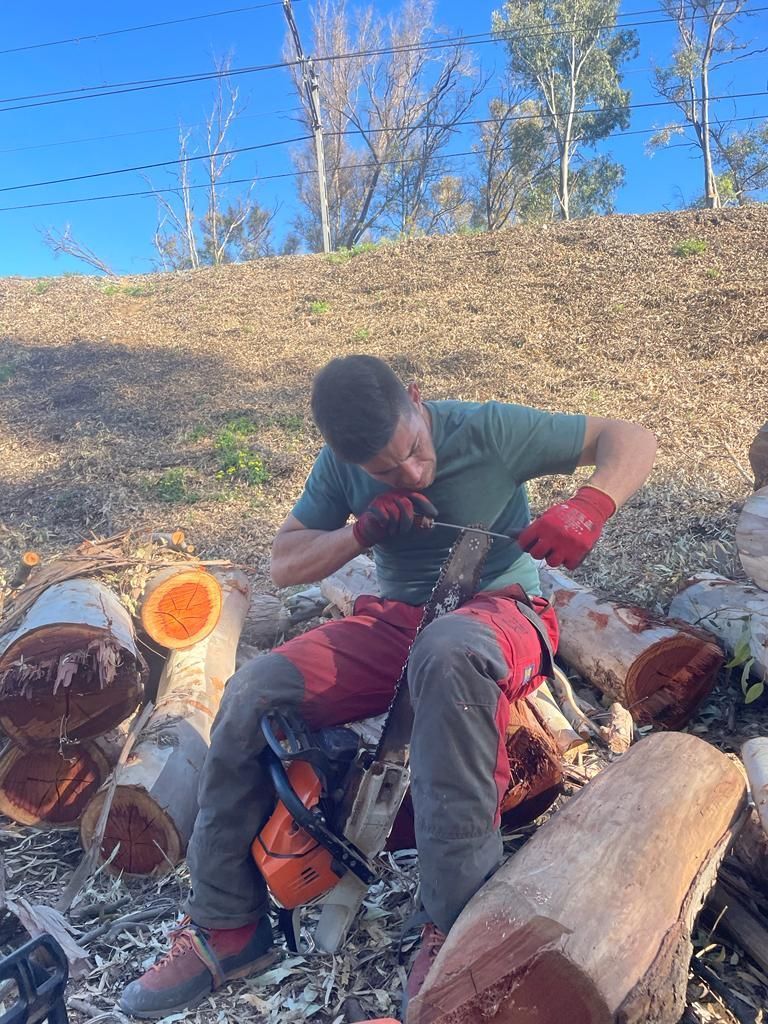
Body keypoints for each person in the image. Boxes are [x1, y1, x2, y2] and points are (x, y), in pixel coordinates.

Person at [120, 355, 656, 1019]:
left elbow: (630, 436)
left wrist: (591, 504)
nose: (411, 473)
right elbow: (286, 563)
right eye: (386, 471)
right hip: (397, 620)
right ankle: (228, 929)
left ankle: (458, 934)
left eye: (413, 450)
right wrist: (361, 531)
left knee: (449, 652)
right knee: (254, 688)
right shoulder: (340, 467)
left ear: (415, 397)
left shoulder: (485, 430)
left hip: (499, 612)